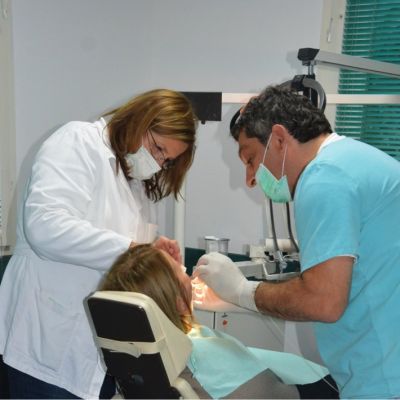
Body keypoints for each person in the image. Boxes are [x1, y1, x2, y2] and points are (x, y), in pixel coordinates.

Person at [193, 84, 400, 399]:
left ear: (278, 139)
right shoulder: (354, 160)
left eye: (250, 159)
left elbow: (323, 301)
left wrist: (241, 291)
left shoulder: (324, 178)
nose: (250, 179)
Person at [0, 88, 197, 399]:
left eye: (166, 160)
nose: (158, 163)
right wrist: (135, 249)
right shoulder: (78, 141)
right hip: (45, 346)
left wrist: (152, 254)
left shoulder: (136, 184)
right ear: (139, 120)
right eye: (158, 148)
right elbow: (44, 225)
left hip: (100, 356)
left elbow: (122, 255)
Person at [100, 244, 338, 399]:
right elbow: (276, 394)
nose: (188, 273)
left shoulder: (144, 361)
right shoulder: (201, 355)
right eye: (181, 270)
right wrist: (242, 292)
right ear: (179, 302)